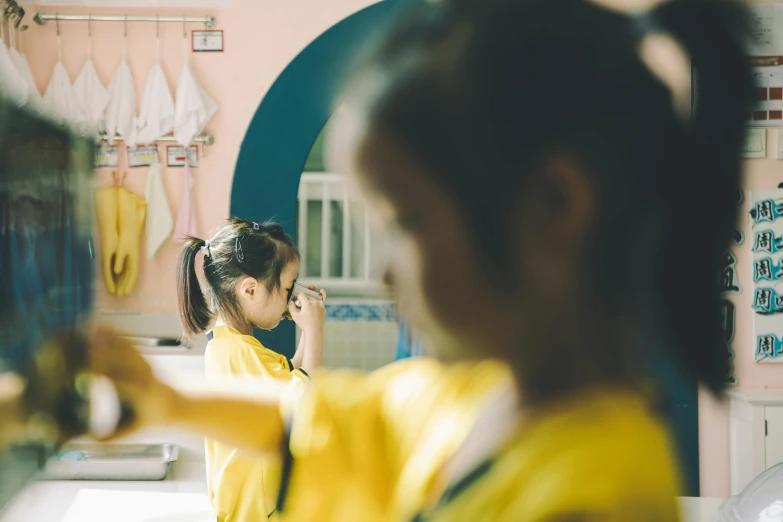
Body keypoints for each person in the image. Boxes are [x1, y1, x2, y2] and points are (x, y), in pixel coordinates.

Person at [91, 0, 753, 520]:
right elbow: (319, 424)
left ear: (552, 207)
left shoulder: (594, 495)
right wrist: (162, 403)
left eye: (405, 224)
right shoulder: (470, 394)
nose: (382, 272)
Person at [177, 217, 326, 521]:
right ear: (250, 290)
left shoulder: (228, 344)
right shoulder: (240, 351)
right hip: (255, 512)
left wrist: (309, 331)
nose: (290, 296)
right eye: (287, 288)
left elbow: (290, 376)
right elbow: (303, 404)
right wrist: (316, 332)